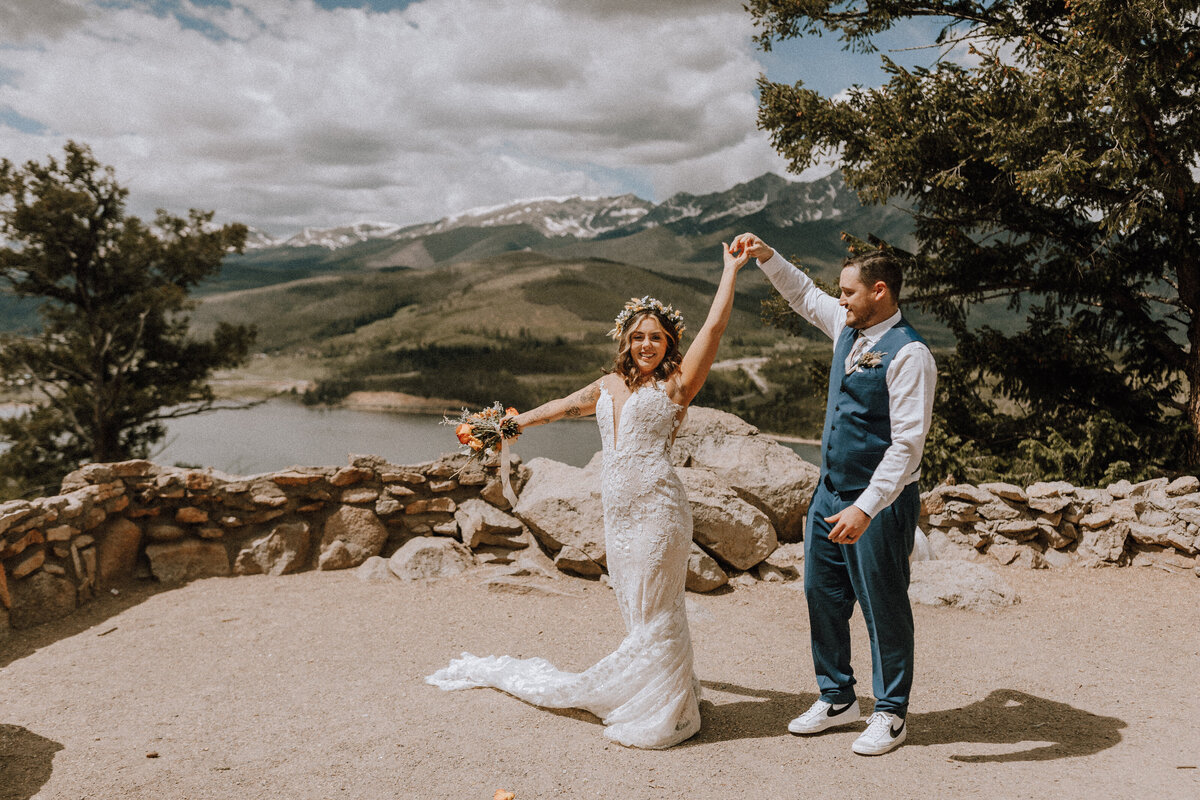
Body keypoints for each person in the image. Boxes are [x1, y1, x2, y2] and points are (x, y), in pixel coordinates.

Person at [426, 242, 751, 749]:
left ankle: (666, 709)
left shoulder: (677, 385)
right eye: (639, 336)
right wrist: (505, 424)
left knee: (658, 606)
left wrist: (730, 271)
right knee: (637, 609)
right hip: (618, 513)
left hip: (660, 510)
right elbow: (558, 407)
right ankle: (663, 688)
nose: (648, 345)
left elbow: (714, 329)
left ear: (670, 343)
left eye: (658, 338)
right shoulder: (607, 385)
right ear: (626, 339)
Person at [731, 232, 936, 756]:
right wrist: (767, 256)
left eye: (848, 292)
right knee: (821, 595)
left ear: (881, 292)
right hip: (828, 492)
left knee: (882, 604)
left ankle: (890, 713)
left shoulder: (910, 355)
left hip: (879, 503)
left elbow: (908, 446)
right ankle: (837, 696)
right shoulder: (849, 326)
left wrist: (867, 508)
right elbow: (802, 295)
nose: (839, 299)